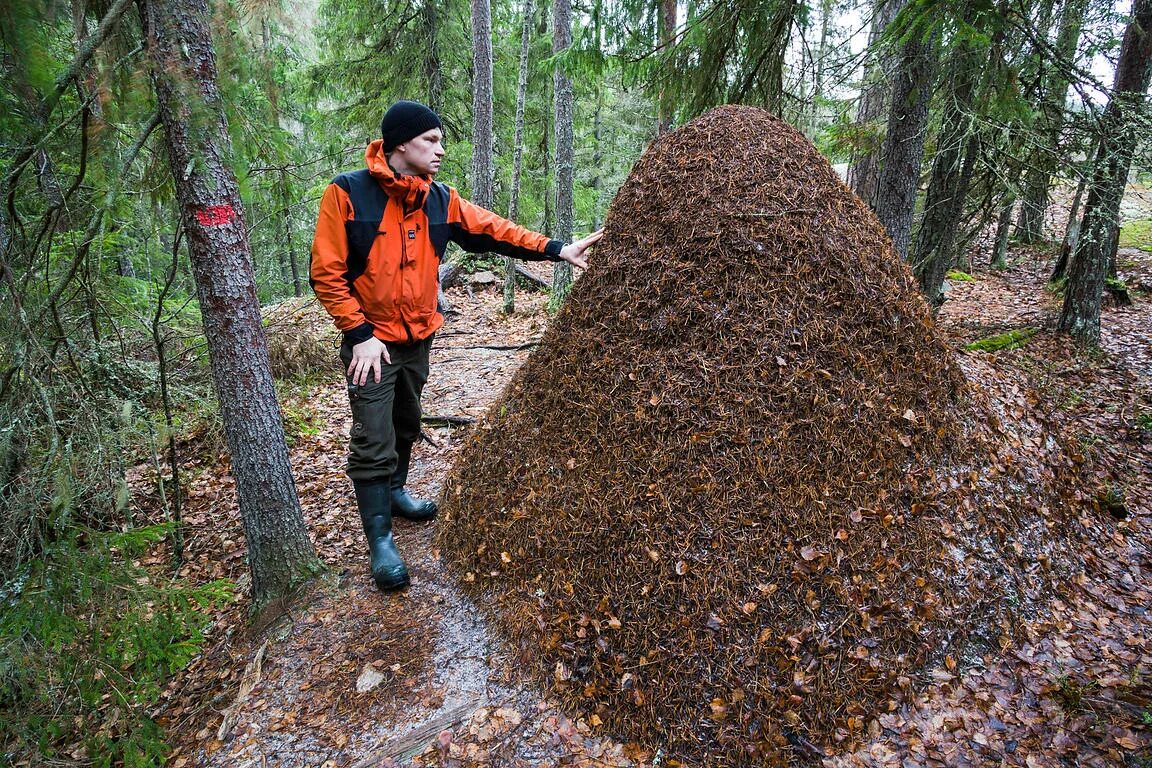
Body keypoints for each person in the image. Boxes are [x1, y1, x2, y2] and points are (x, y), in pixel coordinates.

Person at [310, 100, 602, 591]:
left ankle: (398, 491)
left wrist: (556, 249)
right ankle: (380, 542)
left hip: (418, 337)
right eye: (431, 140)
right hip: (370, 342)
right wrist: (358, 334)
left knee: (407, 420)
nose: (440, 150)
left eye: (440, 140)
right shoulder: (347, 194)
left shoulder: (438, 199)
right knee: (373, 436)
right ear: (401, 143)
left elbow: (493, 229)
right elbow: (326, 271)